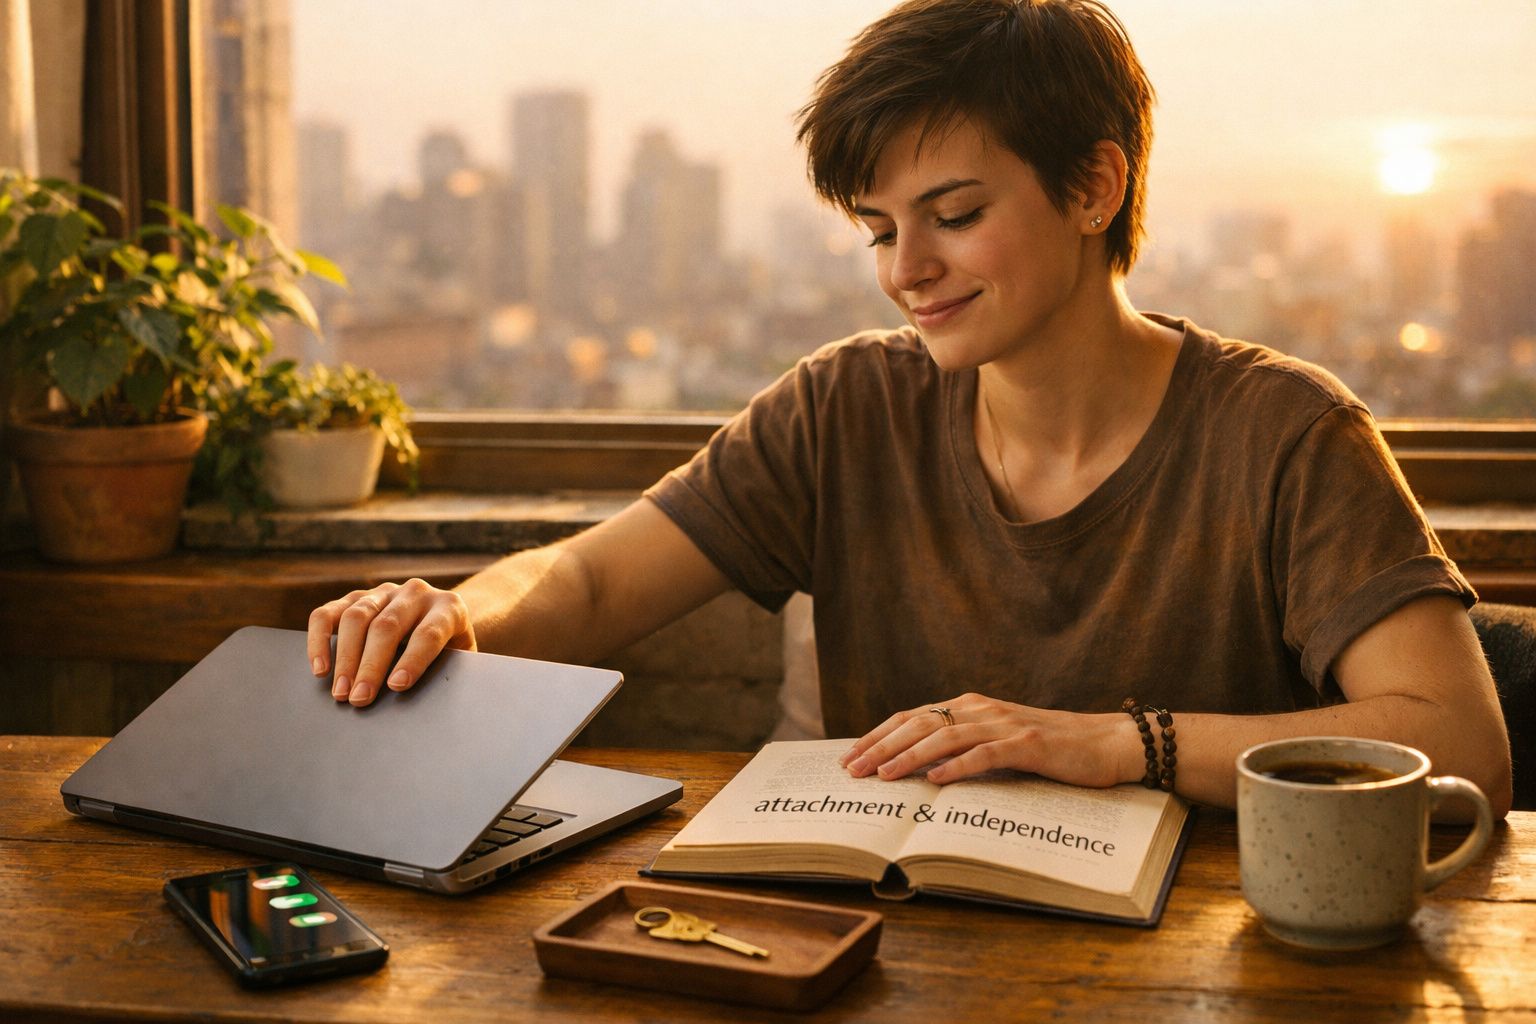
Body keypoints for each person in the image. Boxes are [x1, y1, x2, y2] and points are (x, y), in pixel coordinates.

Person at [308, 0, 1512, 818]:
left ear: (1094, 186)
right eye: (880, 230)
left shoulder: (1287, 432)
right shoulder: (847, 407)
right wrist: (448, 617)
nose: (905, 271)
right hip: (895, 959)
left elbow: (1460, 742)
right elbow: (590, 581)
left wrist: (1117, 743)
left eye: (954, 213)